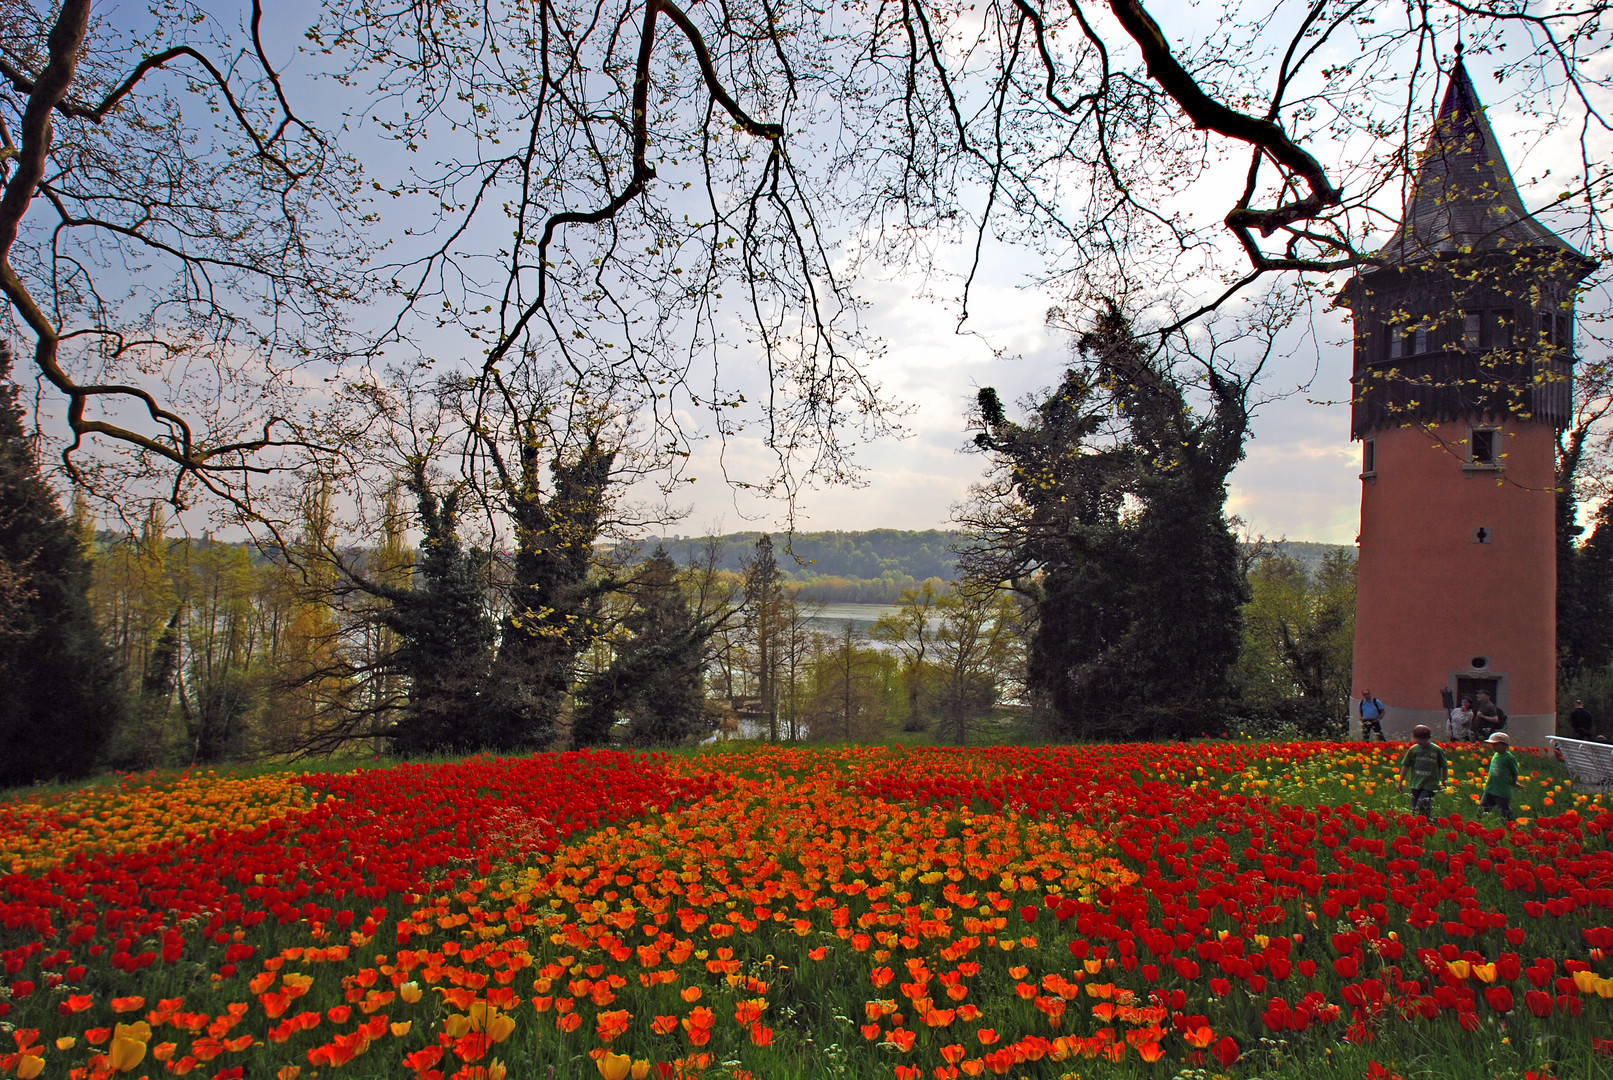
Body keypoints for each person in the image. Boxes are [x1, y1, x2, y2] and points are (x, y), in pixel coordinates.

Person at [1397, 724, 1448, 821]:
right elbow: (1406, 766)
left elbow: (1444, 766)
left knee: (1421, 806)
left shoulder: (1437, 750)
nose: (1421, 743)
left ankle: (1427, 824)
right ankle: (1429, 823)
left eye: (1423, 740)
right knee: (1415, 809)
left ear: (1428, 738)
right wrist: (1400, 782)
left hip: (1430, 785)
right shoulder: (1413, 750)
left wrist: (1444, 781)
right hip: (1415, 784)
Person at [1479, 731, 1518, 823]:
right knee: (1482, 808)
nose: (1493, 747)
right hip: (1490, 787)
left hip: (1502, 790)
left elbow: (1514, 772)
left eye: (1496, 745)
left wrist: (1514, 782)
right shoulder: (1496, 755)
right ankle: (1480, 824)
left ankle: (1511, 825)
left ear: (1505, 745)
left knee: (1504, 811)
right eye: (1492, 745)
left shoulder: (1509, 758)